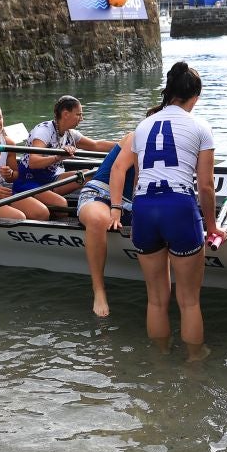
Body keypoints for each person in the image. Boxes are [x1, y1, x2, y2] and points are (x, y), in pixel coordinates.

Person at [108, 62, 225, 361]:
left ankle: (160, 358)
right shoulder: (200, 127)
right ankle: (194, 362)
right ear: (194, 96)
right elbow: (207, 185)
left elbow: (137, 175)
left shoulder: (143, 126)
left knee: (157, 300)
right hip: (178, 207)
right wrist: (212, 227)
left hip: (145, 207)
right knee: (188, 302)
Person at [14, 95, 116, 212]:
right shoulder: (43, 131)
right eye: (78, 114)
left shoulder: (70, 133)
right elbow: (33, 162)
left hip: (51, 178)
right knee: (61, 204)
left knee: (88, 175)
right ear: (66, 114)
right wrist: (58, 157)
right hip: (28, 181)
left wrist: (124, 144)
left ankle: (97, 206)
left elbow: (95, 145)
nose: (81, 118)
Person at [77, 131, 136, 318]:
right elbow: (117, 169)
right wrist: (116, 208)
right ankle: (99, 290)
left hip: (133, 202)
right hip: (100, 192)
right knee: (97, 220)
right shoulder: (135, 136)